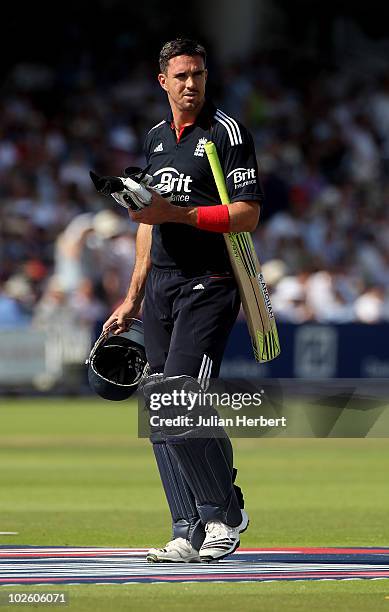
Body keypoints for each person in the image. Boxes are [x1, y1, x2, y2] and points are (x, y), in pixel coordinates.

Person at [103, 38, 263, 562]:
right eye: (182, 76)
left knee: (180, 400)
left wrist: (184, 216)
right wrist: (132, 296)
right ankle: (185, 528)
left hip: (210, 281)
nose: (191, 84)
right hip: (161, 289)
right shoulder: (153, 140)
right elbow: (148, 224)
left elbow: (246, 214)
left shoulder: (225, 132)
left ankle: (222, 515)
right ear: (163, 82)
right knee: (160, 406)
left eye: (198, 74)